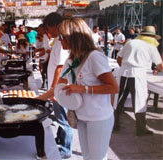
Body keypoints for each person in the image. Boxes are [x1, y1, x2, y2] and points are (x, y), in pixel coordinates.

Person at [58, 17, 119, 160]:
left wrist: (82, 89)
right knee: (87, 157)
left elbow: (113, 87)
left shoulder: (94, 57)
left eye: (61, 37)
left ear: (73, 37)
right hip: (82, 116)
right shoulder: (71, 60)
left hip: (99, 118)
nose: (58, 40)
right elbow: (59, 85)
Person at [114, 26, 163, 136]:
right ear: (152, 37)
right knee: (139, 101)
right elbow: (160, 66)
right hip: (138, 75)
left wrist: (126, 67)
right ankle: (141, 129)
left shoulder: (130, 43)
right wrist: (156, 69)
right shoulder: (151, 46)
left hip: (124, 73)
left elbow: (119, 58)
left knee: (119, 100)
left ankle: (114, 125)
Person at [37, 12, 72, 159]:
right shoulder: (57, 40)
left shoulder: (62, 41)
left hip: (59, 87)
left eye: (47, 28)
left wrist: (53, 89)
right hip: (55, 87)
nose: (47, 31)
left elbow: (60, 67)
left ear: (54, 26)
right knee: (59, 117)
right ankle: (60, 139)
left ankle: (66, 149)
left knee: (64, 120)